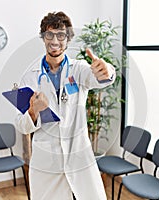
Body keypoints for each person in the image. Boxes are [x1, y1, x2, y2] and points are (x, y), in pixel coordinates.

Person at [15, 11, 116, 200]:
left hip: (79, 156)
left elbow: (103, 78)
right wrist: (33, 110)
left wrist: (107, 70)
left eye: (61, 35)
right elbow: (21, 124)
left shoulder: (79, 70)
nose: (55, 41)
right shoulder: (29, 77)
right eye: (49, 35)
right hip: (47, 161)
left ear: (68, 38)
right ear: (43, 38)